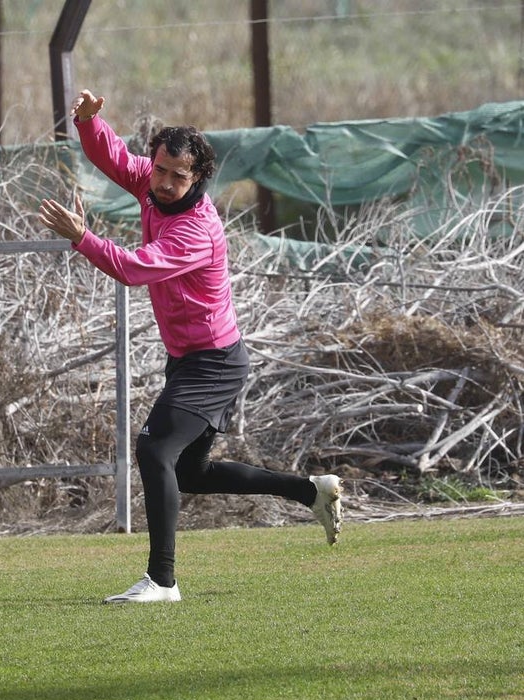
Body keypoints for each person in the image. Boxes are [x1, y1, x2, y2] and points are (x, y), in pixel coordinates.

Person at [38, 90, 342, 604]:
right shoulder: (153, 184)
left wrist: (83, 237)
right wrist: (89, 122)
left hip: (214, 362)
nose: (163, 182)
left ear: (198, 177)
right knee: (189, 473)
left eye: (178, 176)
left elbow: (132, 269)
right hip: (189, 359)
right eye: (159, 170)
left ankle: (162, 581)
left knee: (153, 449)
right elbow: (113, 158)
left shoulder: (196, 230)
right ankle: (309, 491)